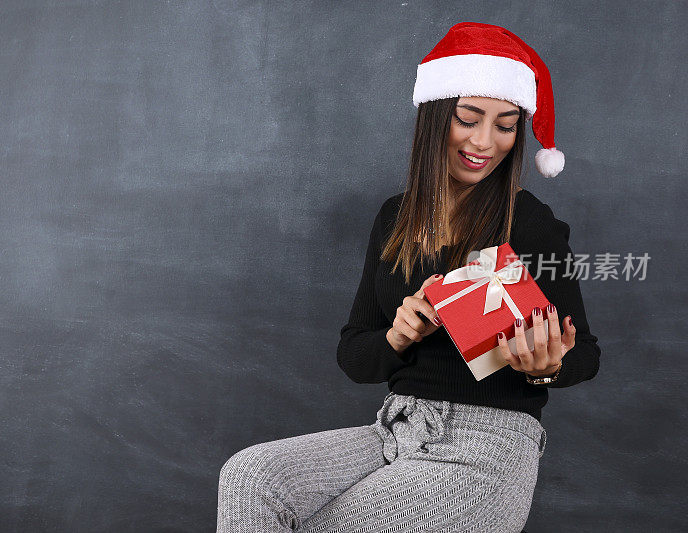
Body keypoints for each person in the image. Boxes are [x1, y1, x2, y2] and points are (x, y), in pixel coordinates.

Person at [217, 22, 601, 532]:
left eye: (506, 126)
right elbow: (355, 355)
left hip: (489, 445)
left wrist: (546, 367)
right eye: (468, 120)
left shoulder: (529, 223)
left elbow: (586, 355)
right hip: (395, 428)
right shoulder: (394, 219)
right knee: (248, 479)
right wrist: (397, 335)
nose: (485, 142)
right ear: (437, 116)